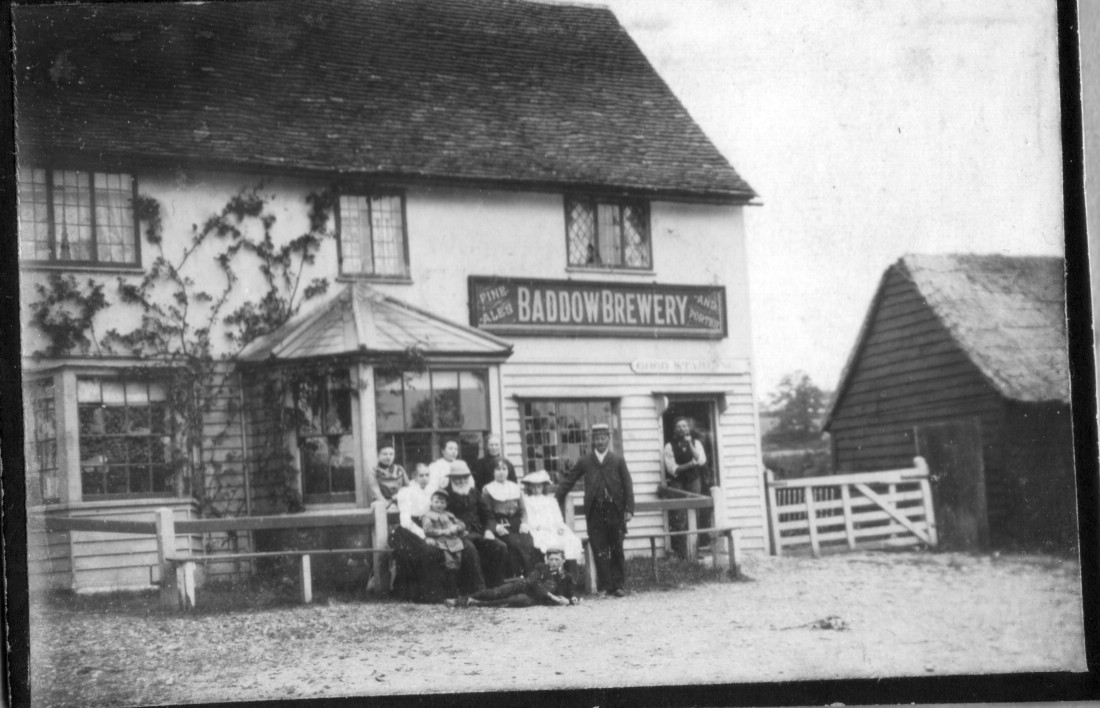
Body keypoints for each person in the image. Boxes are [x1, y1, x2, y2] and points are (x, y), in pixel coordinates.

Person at [555, 423, 633, 598]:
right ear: (593, 440)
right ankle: (605, 585)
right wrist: (555, 498)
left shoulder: (617, 460)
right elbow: (569, 480)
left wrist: (629, 509)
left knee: (616, 547)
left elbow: (628, 485)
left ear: (608, 439)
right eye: (597, 438)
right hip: (595, 512)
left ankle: (619, 585)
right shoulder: (585, 461)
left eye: (603, 438)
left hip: (615, 510)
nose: (600, 441)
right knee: (599, 548)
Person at [442, 461, 508, 590]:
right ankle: (480, 589)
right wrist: (457, 530)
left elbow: (488, 515)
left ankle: (497, 587)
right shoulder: (445, 494)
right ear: (451, 479)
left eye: (464, 477)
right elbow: (443, 518)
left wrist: (489, 530)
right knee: (470, 550)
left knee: (500, 547)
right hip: (457, 535)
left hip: (478, 532)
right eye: (457, 478)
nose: (461, 481)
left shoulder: (474, 492)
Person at [444, 547, 580, 608]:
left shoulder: (566, 577)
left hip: (533, 598)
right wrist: (551, 596)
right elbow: (532, 581)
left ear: (563, 560)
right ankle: (459, 600)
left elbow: (574, 596)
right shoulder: (541, 567)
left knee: (514, 601)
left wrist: (569, 602)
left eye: (557, 559)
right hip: (522, 586)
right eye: (551, 559)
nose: (553, 562)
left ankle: (474, 603)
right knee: (495, 592)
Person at [391, 463, 448, 603]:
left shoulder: (431, 491)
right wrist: (424, 536)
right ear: (414, 477)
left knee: (440, 549)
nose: (424, 478)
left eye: (427, 475)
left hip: (427, 526)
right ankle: (425, 595)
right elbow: (405, 521)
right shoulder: (407, 491)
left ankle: (440, 592)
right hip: (409, 531)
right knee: (428, 551)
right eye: (421, 475)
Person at [663, 417, 709, 556]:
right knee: (680, 515)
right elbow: (673, 469)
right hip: (678, 482)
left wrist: (690, 445)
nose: (682, 429)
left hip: (694, 480)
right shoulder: (669, 446)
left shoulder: (696, 443)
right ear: (675, 430)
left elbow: (700, 460)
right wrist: (689, 465)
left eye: (684, 426)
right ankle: (682, 552)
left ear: (688, 429)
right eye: (679, 426)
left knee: (695, 512)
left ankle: (695, 550)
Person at [482, 460, 535, 577]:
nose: (501, 472)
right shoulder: (488, 490)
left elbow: (523, 510)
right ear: (493, 471)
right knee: (512, 544)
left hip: (517, 524)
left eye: (504, 469)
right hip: (500, 524)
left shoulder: (515, 488)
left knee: (529, 541)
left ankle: (530, 578)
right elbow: (486, 514)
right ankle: (515, 578)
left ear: (508, 471)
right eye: (498, 469)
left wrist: (524, 523)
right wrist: (495, 527)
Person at [521, 470, 583, 566]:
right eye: (533, 486)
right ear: (529, 487)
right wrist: (535, 526)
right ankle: (547, 569)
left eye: (539, 486)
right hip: (536, 530)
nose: (536, 489)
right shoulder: (526, 501)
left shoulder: (550, 500)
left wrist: (560, 528)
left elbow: (557, 519)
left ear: (543, 487)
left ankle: (568, 571)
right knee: (542, 541)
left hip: (552, 528)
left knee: (570, 540)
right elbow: (526, 517)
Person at [421, 489, 466, 598]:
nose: (439, 505)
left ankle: (455, 589)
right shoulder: (427, 515)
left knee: (457, 563)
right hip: (441, 542)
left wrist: (458, 528)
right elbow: (428, 530)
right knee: (449, 564)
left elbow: (461, 524)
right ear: (431, 502)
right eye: (436, 502)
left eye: (442, 502)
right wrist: (443, 531)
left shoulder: (449, 515)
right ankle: (451, 592)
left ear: (446, 504)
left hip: (454, 542)